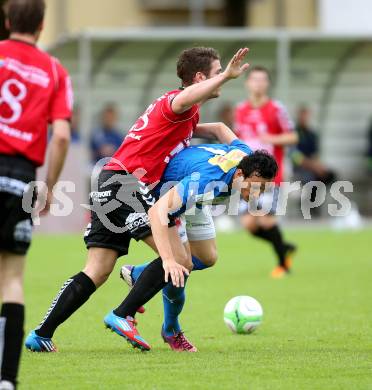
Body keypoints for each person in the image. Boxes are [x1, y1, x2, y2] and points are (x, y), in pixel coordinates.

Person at [25, 47, 251, 352]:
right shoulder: (177, 102)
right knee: (179, 259)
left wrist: (240, 153)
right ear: (200, 78)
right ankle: (123, 314)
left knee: (98, 269)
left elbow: (211, 129)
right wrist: (228, 75)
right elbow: (184, 99)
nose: (222, 80)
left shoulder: (183, 116)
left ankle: (41, 334)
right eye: (217, 73)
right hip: (127, 184)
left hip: (110, 181)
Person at [107, 136, 278, 351]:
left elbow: (219, 128)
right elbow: (158, 211)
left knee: (208, 257)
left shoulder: (245, 156)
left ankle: (140, 274)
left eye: (263, 190)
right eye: (257, 187)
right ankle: (171, 330)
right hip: (168, 195)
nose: (258, 194)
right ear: (241, 174)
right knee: (182, 264)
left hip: (195, 199)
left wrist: (189, 129)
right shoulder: (205, 182)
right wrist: (168, 259)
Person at [0, 0, 72, 388]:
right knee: (11, 279)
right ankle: (6, 380)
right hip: (21, 178)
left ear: (8, 20)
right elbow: (61, 135)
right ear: (42, 26)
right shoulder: (54, 70)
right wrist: (49, 187)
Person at [234, 66, 298, 279]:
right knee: (249, 225)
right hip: (248, 179)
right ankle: (284, 246)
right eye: (254, 80)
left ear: (267, 84)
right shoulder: (241, 110)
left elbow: (292, 137)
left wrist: (272, 139)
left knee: (266, 220)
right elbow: (237, 139)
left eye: (262, 80)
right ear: (247, 83)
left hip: (271, 177)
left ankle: (283, 265)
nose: (258, 84)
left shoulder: (276, 109)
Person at [291, 106, 336, 215]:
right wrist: (314, 167)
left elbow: (315, 155)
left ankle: (316, 206)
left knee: (330, 175)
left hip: (312, 167)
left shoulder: (312, 134)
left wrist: (319, 167)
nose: (305, 118)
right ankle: (307, 209)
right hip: (299, 168)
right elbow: (296, 157)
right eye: (303, 115)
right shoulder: (293, 134)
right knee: (310, 178)